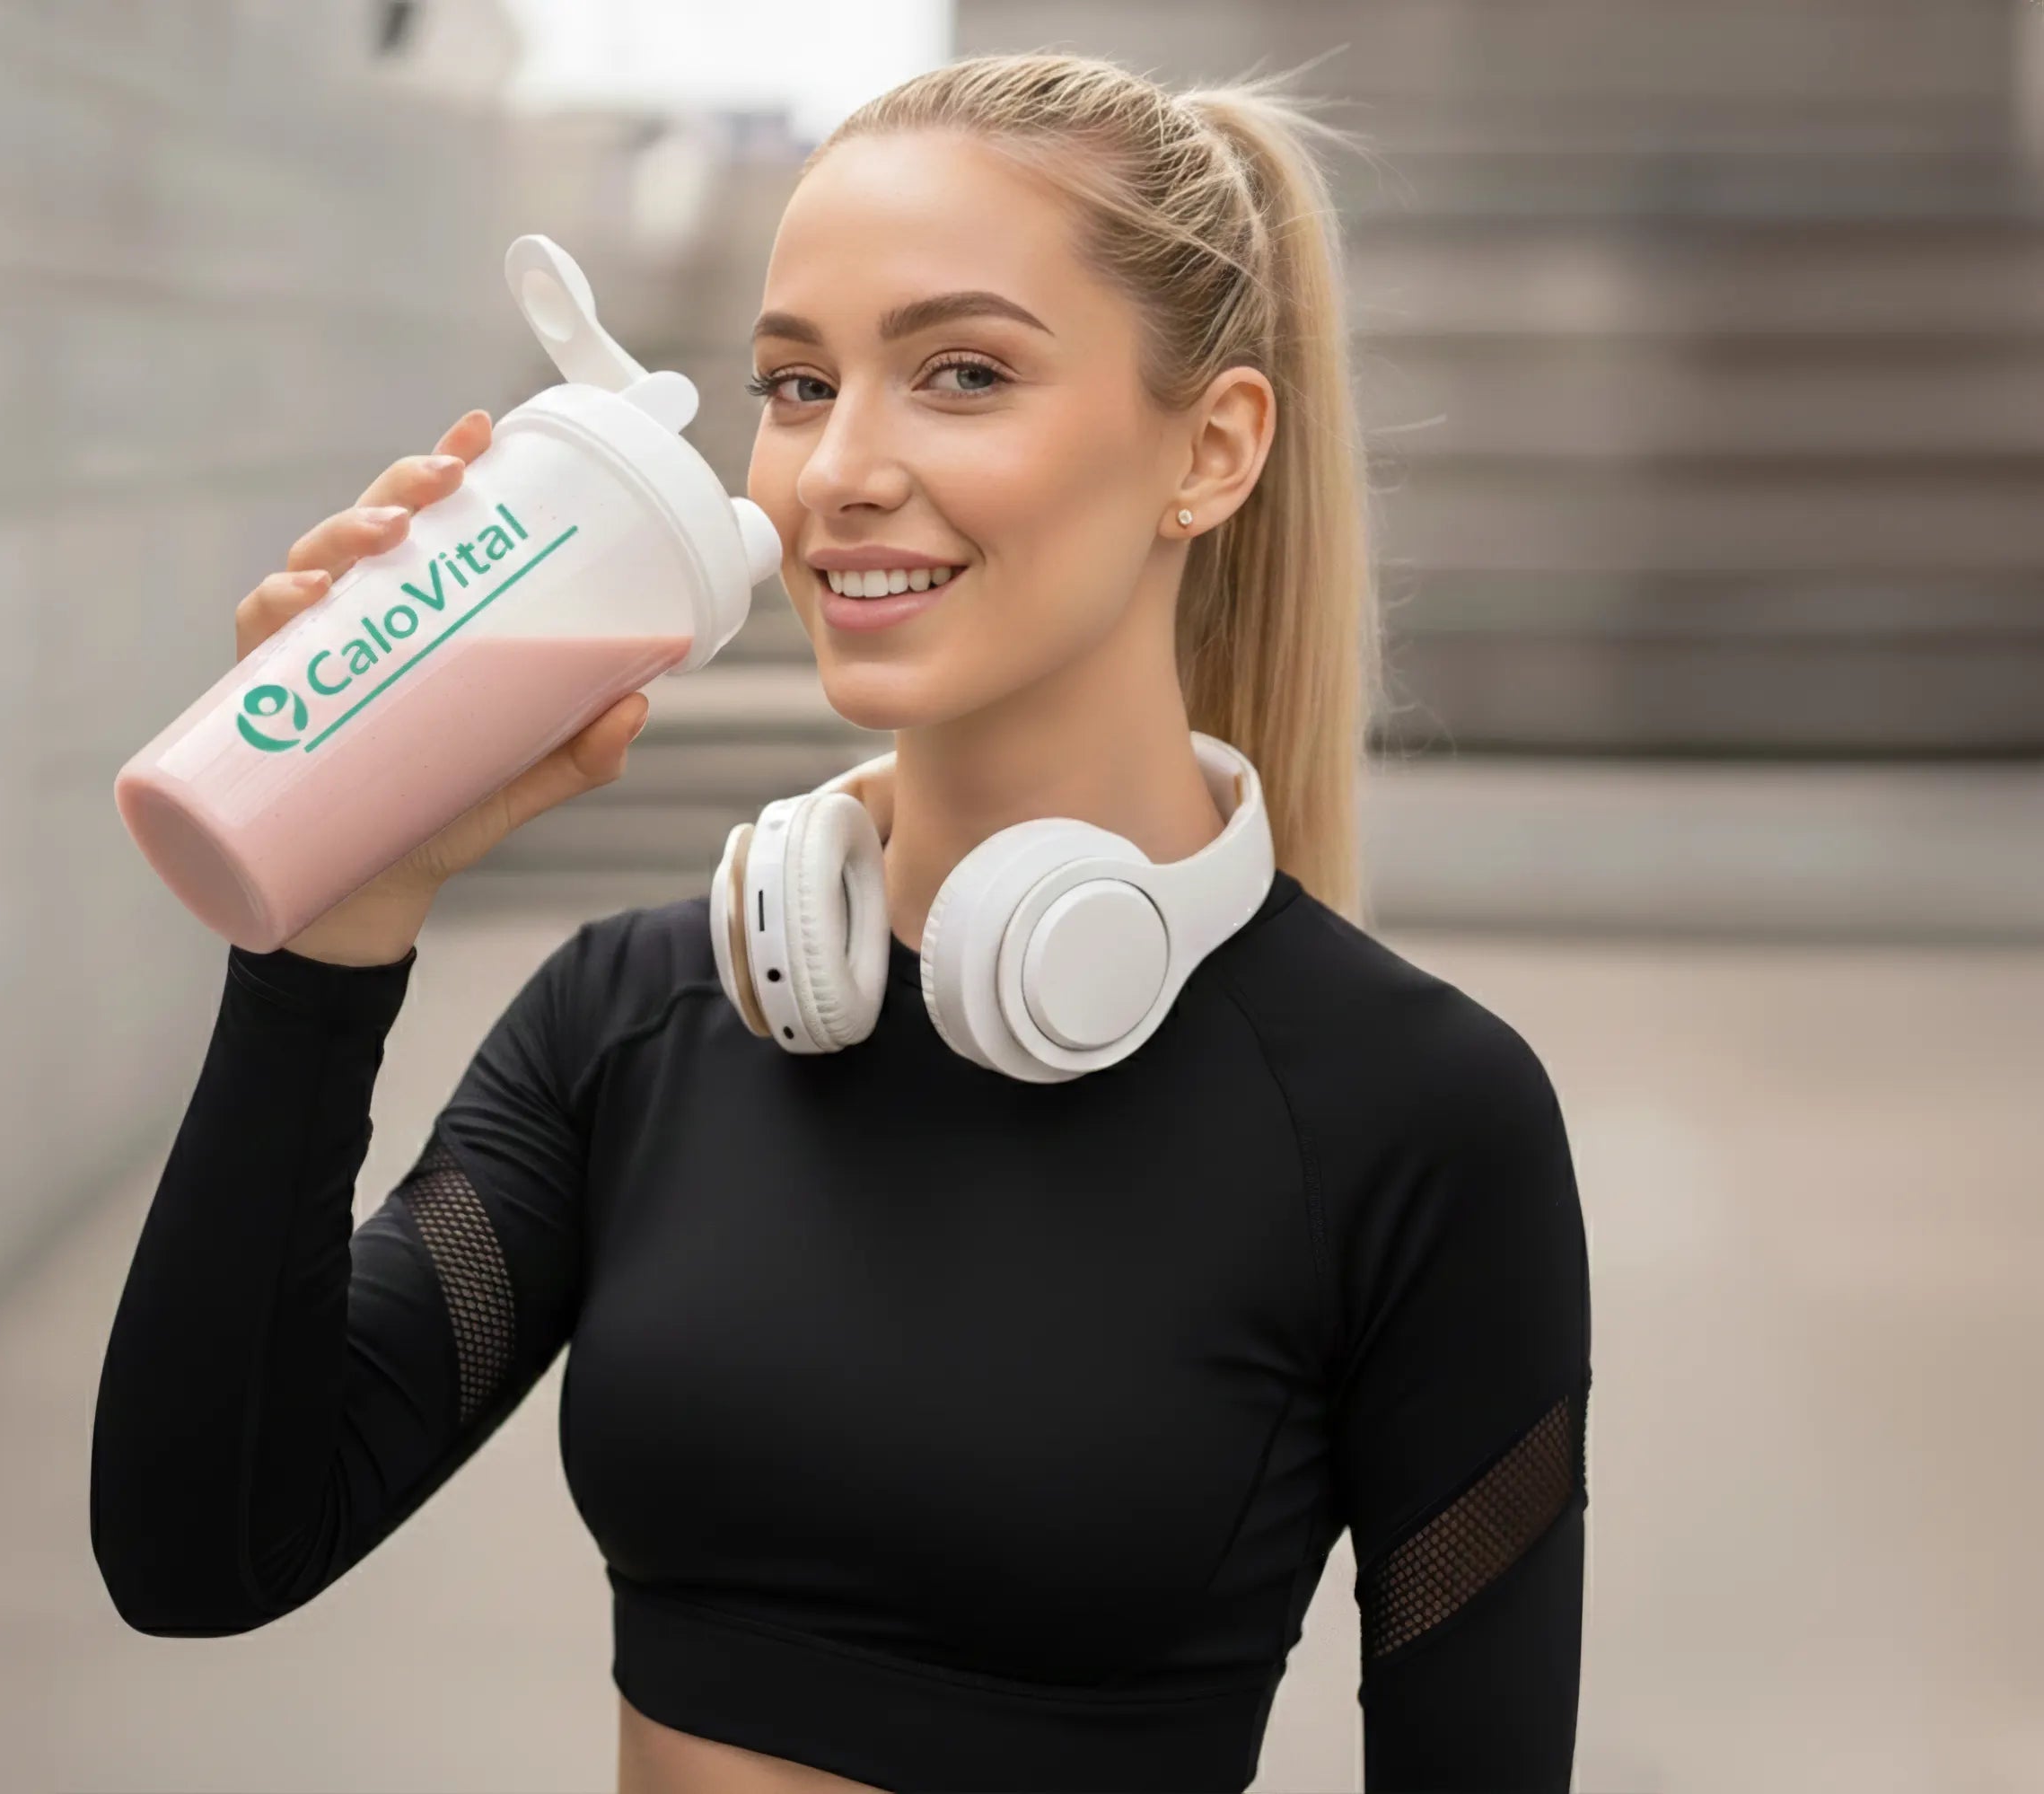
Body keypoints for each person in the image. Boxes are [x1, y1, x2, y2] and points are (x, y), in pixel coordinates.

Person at [89, 51, 1591, 1794]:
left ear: (1212, 447)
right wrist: (322, 941)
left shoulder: (1415, 1119)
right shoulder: (631, 1023)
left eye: (962, 373)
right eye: (796, 384)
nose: (840, 470)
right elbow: (202, 1553)